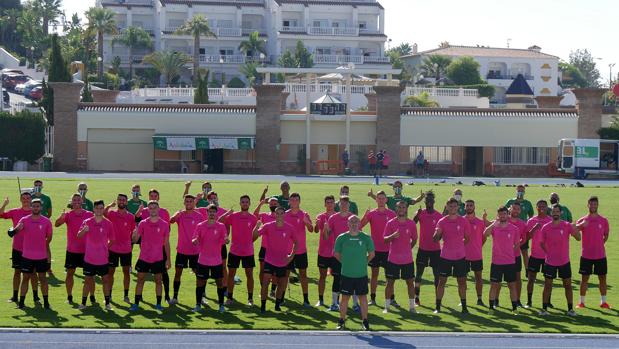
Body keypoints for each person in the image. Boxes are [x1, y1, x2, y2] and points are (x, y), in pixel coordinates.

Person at [539, 204, 582, 316]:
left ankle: (570, 309)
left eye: (557, 211)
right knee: (547, 285)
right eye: (554, 212)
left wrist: (576, 229)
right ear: (551, 213)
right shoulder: (546, 227)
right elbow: (541, 243)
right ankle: (544, 309)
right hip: (550, 262)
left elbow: (578, 238)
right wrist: (548, 253)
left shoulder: (567, 225)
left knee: (567, 285)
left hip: (564, 261)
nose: (555, 213)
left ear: (561, 213)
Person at [334, 215, 375, 331]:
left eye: (356, 222)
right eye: (351, 222)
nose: (353, 224)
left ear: (359, 224)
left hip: (361, 274)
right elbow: (336, 254)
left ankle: (365, 321)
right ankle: (341, 321)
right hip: (346, 274)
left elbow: (372, 254)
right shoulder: (341, 238)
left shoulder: (366, 238)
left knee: (363, 298)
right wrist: (346, 262)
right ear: (347, 224)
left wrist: (363, 263)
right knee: (344, 298)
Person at [130, 200, 171, 312]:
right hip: (144, 258)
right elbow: (135, 240)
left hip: (158, 258)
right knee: (140, 280)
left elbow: (166, 243)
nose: (153, 210)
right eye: (150, 208)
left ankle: (158, 304)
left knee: (158, 281)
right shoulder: (143, 223)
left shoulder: (164, 224)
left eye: (155, 208)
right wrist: (134, 232)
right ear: (148, 210)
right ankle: (136, 304)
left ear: (158, 209)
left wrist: (168, 259)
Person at [255, 206, 297, 313]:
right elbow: (254, 236)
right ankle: (263, 306)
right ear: (274, 214)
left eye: (281, 213)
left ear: (284, 215)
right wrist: (256, 227)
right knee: (265, 283)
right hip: (269, 260)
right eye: (277, 213)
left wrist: (291, 256)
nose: (279, 215)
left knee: (281, 284)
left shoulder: (289, 228)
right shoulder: (268, 226)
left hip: (283, 261)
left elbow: (297, 242)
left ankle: (277, 305)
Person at [54, 193, 94, 304]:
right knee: (70, 273)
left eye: (78, 200)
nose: (76, 202)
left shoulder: (89, 214)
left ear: (82, 201)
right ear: (71, 202)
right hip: (72, 250)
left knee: (89, 275)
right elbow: (56, 224)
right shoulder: (68, 215)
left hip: (87, 250)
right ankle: (69, 296)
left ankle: (92, 296)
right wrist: (61, 218)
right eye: (74, 200)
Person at [13, 199, 53, 309]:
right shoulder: (24, 220)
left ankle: (46, 302)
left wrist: (42, 247)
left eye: (38, 206)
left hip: (41, 256)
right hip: (27, 256)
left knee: (43, 278)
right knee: (25, 278)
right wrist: (16, 229)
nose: (36, 208)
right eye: (34, 206)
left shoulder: (46, 221)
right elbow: (13, 232)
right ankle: (21, 303)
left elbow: (49, 237)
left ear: (41, 208)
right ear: (31, 207)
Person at [433, 198, 471, 314]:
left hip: (460, 257)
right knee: (442, 282)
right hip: (445, 256)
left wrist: (458, 246)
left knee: (462, 282)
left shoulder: (463, 221)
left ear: (458, 207)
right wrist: (437, 233)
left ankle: (464, 307)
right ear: (447, 207)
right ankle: (438, 307)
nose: (453, 208)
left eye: (455, 206)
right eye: (451, 206)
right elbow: (435, 239)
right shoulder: (442, 221)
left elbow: (467, 238)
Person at [76, 200, 114, 310]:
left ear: (103, 209)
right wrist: (84, 230)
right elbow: (79, 236)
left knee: (105, 280)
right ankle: (83, 303)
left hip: (102, 258)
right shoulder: (87, 222)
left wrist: (105, 247)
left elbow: (112, 239)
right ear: (93, 209)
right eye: (97, 208)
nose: (99, 210)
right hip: (89, 258)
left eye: (101, 208)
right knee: (87, 280)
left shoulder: (108, 223)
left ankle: (107, 303)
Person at [360, 190, 396, 306]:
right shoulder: (371, 214)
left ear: (386, 200)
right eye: (379, 198)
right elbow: (359, 227)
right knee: (374, 275)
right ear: (376, 200)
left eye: (383, 198)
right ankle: (373, 299)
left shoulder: (391, 214)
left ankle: (392, 299)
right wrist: (364, 216)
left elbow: (396, 231)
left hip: (388, 250)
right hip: (374, 250)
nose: (381, 200)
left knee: (389, 277)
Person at [221, 195, 258, 306]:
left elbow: (256, 234)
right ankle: (230, 297)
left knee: (249, 275)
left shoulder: (253, 218)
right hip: (234, 251)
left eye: (247, 202)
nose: (245, 204)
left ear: (249, 204)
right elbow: (221, 222)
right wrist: (227, 213)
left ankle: (250, 299)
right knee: (231, 274)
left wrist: (250, 242)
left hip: (248, 252)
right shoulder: (233, 216)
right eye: (243, 202)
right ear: (240, 203)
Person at [1, 192, 37, 304]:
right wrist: (4, 204)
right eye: (23, 198)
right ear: (20, 200)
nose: (26, 200)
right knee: (17, 272)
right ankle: (15, 296)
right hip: (17, 248)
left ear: (31, 199)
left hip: (32, 248)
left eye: (28, 198)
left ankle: (36, 296)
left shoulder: (35, 212)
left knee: (33, 273)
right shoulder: (15, 211)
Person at [483, 206, 521, 314]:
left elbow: (517, 244)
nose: (502, 216)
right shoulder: (494, 227)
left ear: (507, 214)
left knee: (512, 285)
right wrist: (493, 224)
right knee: (494, 285)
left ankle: (514, 308)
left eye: (504, 214)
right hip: (496, 263)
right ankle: (491, 308)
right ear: (498, 215)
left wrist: (509, 253)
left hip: (510, 263)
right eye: (500, 214)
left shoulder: (514, 229)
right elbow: (485, 234)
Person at [383, 201, 418, 314]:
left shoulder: (411, 223)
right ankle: (387, 307)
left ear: (406, 209)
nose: (402, 209)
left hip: (407, 260)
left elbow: (415, 239)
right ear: (396, 209)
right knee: (390, 283)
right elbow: (385, 239)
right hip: (393, 259)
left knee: (410, 282)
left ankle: (412, 307)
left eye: (404, 207)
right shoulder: (390, 223)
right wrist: (392, 236)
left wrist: (407, 249)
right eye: (399, 207)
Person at [192, 204, 228, 313]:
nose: (212, 214)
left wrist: (226, 240)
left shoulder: (221, 226)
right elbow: (195, 238)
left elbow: (225, 238)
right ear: (206, 213)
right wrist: (194, 241)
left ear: (216, 213)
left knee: (219, 283)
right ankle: (198, 304)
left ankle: (221, 305)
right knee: (200, 283)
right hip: (203, 260)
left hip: (216, 260)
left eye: (213, 212)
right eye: (209, 212)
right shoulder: (200, 225)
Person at [168, 194, 203, 305]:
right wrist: (176, 214)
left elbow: (203, 231)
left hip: (195, 251)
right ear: (184, 203)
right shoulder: (180, 215)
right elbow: (171, 220)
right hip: (182, 250)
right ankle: (175, 297)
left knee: (200, 276)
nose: (188, 203)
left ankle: (201, 297)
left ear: (194, 203)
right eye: (186, 201)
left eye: (190, 201)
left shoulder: (199, 216)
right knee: (178, 274)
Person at [577, 196, 610, 309]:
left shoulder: (603, 220)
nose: (593, 206)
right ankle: (581, 302)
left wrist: (600, 244)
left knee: (602, 278)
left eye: (595, 204)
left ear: (597, 205)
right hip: (586, 255)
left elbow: (606, 235)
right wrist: (581, 225)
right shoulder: (583, 220)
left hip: (600, 255)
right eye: (591, 204)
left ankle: (603, 302)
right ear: (588, 205)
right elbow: (575, 231)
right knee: (584, 279)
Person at [104, 194, 135, 304]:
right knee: (110, 272)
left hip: (126, 249)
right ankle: (110, 295)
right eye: (119, 200)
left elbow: (133, 232)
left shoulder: (131, 216)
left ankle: (126, 295)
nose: (121, 201)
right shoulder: (111, 213)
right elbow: (102, 214)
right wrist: (108, 206)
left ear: (126, 202)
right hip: (112, 248)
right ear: (117, 201)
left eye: (123, 200)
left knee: (126, 272)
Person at [413, 191, 443, 305]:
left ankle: (437, 299)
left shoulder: (439, 215)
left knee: (437, 275)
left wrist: (438, 238)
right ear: (424, 201)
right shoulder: (421, 213)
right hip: (423, 249)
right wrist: (417, 214)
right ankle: (416, 297)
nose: (429, 201)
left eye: (431, 199)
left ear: (434, 201)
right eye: (427, 200)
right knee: (419, 274)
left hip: (435, 250)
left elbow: (442, 232)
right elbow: (412, 224)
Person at [325, 196, 355, 311]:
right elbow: (327, 237)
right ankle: (334, 303)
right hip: (337, 254)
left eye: (346, 204)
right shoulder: (333, 218)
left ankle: (355, 304)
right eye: (342, 204)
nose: (344, 206)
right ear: (339, 205)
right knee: (337, 279)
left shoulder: (353, 218)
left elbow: (358, 235)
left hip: (351, 255)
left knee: (352, 279)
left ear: (349, 205)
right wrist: (326, 230)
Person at [284, 193, 313, 307]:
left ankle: (306, 299)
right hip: (287, 250)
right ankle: (281, 298)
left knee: (303, 275)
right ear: (289, 202)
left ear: (299, 201)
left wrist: (306, 221)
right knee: (285, 275)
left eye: (297, 200)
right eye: (292, 200)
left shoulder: (304, 214)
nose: (294, 201)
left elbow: (311, 229)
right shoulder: (285, 214)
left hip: (301, 250)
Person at [525, 200, 552, 308]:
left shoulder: (550, 220)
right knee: (531, 279)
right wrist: (534, 229)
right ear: (536, 207)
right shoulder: (531, 220)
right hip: (535, 255)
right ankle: (529, 301)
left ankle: (548, 302)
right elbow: (527, 237)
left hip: (547, 256)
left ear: (547, 208)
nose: (541, 208)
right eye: (539, 206)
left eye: (544, 206)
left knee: (548, 281)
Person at [463, 199, 489, 306]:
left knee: (478, 277)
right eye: (467, 205)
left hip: (476, 255)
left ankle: (479, 299)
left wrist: (478, 247)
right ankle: (463, 300)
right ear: (464, 207)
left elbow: (484, 238)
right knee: (462, 278)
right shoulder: (461, 220)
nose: (469, 207)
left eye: (471, 205)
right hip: (463, 255)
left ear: (474, 207)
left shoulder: (480, 222)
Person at [314, 195, 337, 308]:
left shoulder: (338, 217)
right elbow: (315, 230)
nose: (330, 204)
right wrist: (318, 223)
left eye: (331, 202)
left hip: (336, 253)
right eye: (327, 202)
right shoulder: (321, 216)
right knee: (322, 276)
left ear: (335, 204)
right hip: (323, 252)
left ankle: (336, 301)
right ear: (325, 204)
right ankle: (321, 300)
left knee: (337, 277)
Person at [253, 196, 279, 295]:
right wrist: (261, 203)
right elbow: (254, 214)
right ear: (268, 205)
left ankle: (273, 290)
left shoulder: (280, 216)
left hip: (276, 249)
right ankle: (263, 289)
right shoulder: (264, 215)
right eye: (271, 204)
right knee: (262, 270)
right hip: (264, 248)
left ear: (278, 204)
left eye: (275, 204)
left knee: (275, 272)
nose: (273, 205)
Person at [505, 185, 534, 269]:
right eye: (519, 190)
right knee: (509, 250)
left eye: (522, 190)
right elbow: (503, 212)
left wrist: (525, 223)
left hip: (522, 231)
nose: (520, 192)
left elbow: (531, 215)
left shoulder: (527, 203)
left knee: (524, 251)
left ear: (524, 192)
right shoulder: (510, 201)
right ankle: (508, 268)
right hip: (509, 230)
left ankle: (527, 270)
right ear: (516, 191)